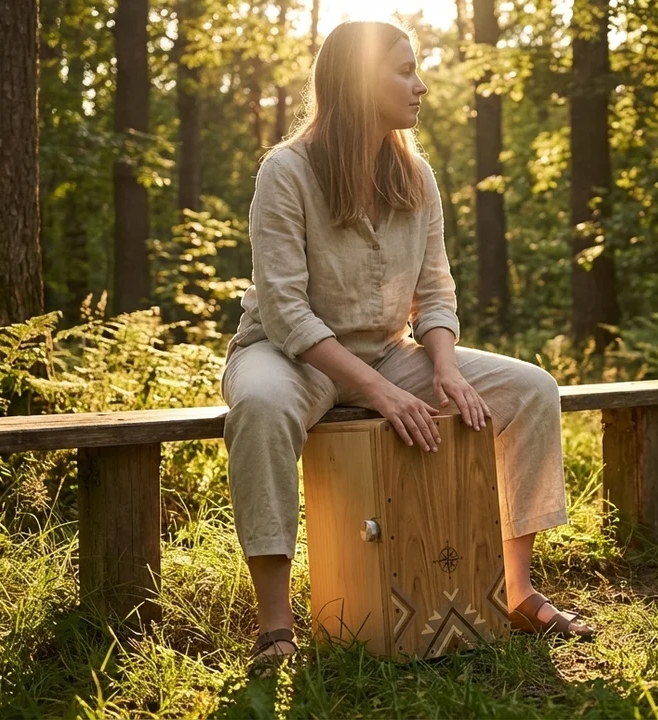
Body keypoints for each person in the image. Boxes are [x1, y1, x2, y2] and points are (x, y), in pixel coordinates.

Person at [221, 19, 595, 674]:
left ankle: (516, 590)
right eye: (404, 70)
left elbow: (436, 289)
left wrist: (444, 366)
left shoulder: (415, 174)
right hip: (289, 354)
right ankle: (275, 626)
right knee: (259, 407)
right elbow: (284, 307)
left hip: (389, 352)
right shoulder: (285, 172)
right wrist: (378, 392)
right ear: (359, 82)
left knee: (531, 389)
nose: (420, 85)